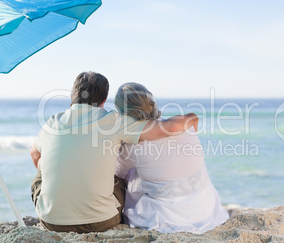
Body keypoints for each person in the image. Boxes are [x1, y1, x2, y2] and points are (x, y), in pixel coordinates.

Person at [30, 72, 198, 233]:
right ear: (104, 100)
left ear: (72, 97)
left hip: (51, 222)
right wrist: (191, 117)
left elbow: (34, 155)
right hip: (102, 221)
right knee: (117, 177)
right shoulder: (114, 121)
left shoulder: (51, 123)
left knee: (41, 172)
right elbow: (169, 127)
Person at [115, 82, 229, 234]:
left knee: (130, 173)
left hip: (166, 216)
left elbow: (117, 172)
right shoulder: (183, 126)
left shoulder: (132, 146)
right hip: (206, 208)